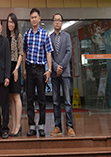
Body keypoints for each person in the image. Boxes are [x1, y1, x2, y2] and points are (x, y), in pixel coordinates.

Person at [23, 8, 53, 137]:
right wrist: (24, 69)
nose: (34, 19)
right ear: (30, 20)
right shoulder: (27, 34)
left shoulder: (45, 34)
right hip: (29, 69)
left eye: (35, 17)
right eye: (32, 17)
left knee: (41, 99)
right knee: (29, 99)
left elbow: (48, 53)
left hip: (41, 69)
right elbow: (23, 52)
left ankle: (41, 126)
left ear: (39, 19)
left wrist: (49, 70)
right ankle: (31, 126)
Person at [50, 13, 76, 137]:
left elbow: (69, 52)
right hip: (55, 74)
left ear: (62, 22)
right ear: (53, 22)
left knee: (67, 101)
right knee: (55, 101)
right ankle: (57, 126)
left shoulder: (67, 36)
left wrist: (61, 66)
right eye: (55, 20)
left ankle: (70, 127)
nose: (57, 22)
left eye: (59, 20)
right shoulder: (50, 37)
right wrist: (55, 67)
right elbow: (48, 54)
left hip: (65, 73)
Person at [6, 13, 23, 137]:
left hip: (15, 67)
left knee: (17, 96)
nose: (10, 24)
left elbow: (21, 54)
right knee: (11, 97)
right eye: (8, 22)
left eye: (12, 22)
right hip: (8, 68)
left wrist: (17, 69)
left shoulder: (18, 36)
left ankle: (18, 125)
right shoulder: (6, 37)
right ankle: (13, 124)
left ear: (15, 23)